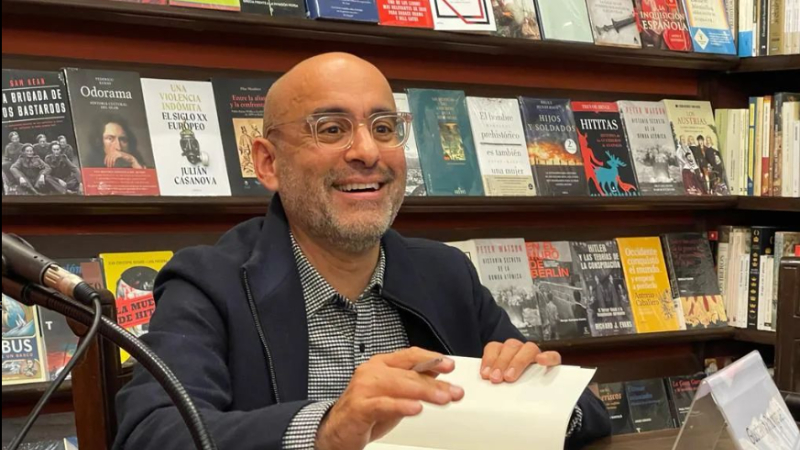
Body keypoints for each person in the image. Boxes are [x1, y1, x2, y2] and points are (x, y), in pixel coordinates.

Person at [114, 53, 610, 450]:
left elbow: (588, 415)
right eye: (331, 129)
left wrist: (535, 395)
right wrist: (326, 430)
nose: (367, 152)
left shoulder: (446, 273)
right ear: (268, 163)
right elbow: (151, 434)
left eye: (384, 128)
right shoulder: (208, 283)